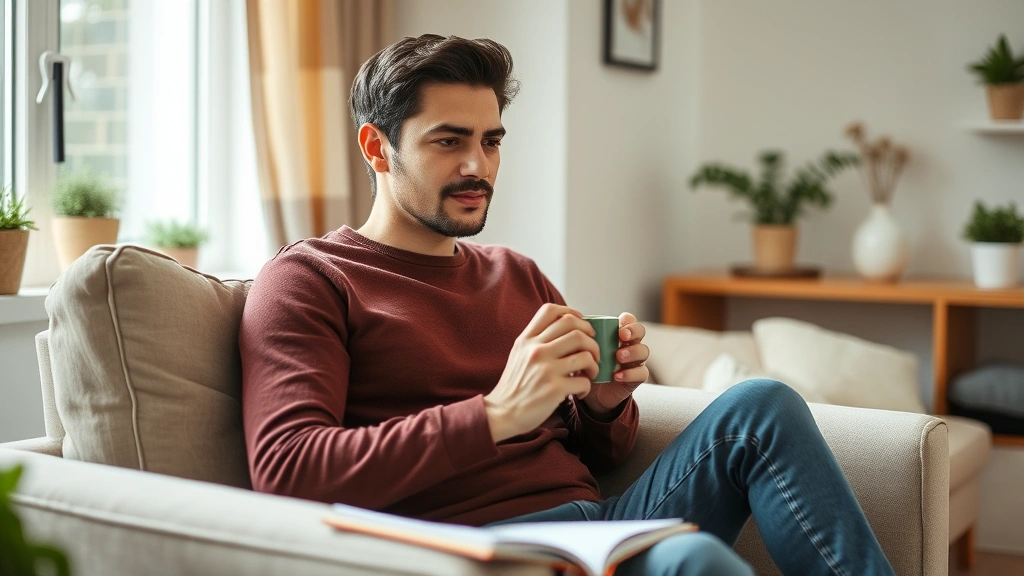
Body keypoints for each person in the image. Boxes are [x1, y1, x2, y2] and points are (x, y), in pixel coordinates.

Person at [239, 34, 896, 576]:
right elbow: (288, 471)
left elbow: (599, 453)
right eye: (449, 141)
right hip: (475, 552)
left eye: (491, 141)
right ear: (376, 147)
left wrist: (606, 404)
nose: (478, 165)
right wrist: (494, 414)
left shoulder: (514, 275)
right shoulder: (311, 279)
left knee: (762, 405)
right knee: (695, 560)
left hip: (600, 529)